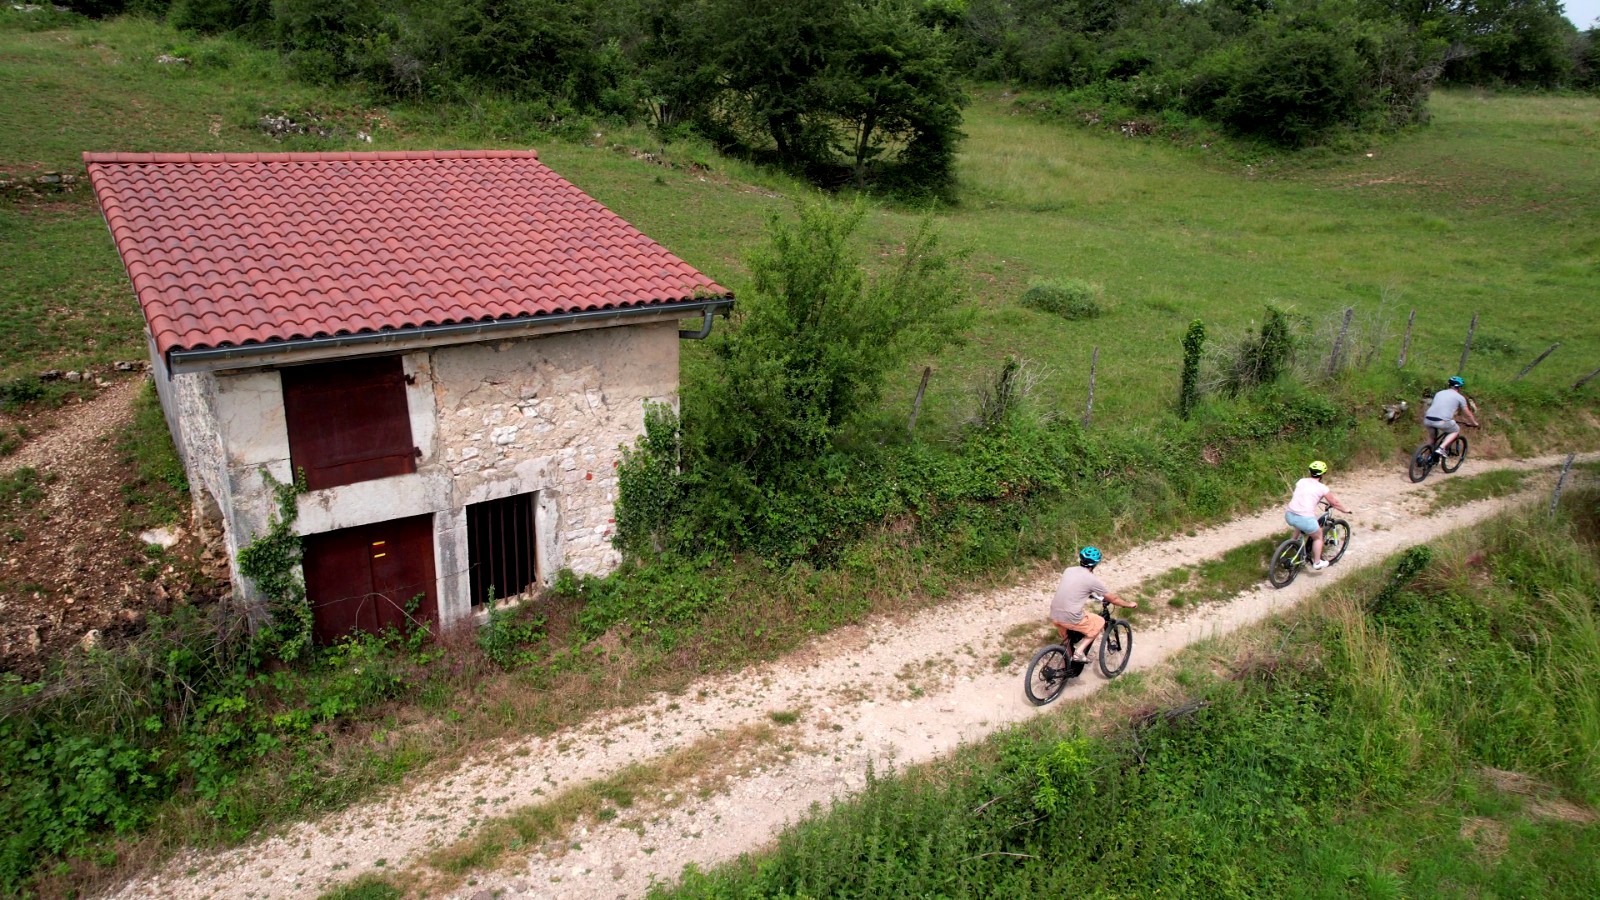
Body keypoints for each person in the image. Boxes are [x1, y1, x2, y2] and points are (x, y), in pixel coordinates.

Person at [1050, 547, 1136, 663]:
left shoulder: (1068, 570)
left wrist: (1089, 594)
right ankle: (1079, 653)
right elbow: (1113, 599)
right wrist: (1128, 604)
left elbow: (1075, 587)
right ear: (1095, 564)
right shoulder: (1092, 579)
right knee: (1100, 621)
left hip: (1055, 614)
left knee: (1067, 639)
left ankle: (1068, 663)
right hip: (1070, 616)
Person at [1284, 461, 1349, 570]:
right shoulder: (1322, 488)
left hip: (1289, 514)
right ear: (1323, 474)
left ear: (1310, 471)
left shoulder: (1301, 481)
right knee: (1318, 537)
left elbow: (1304, 494)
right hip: (1304, 518)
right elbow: (1334, 503)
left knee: (1299, 525)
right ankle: (1317, 562)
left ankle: (1292, 544)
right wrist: (1345, 510)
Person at [1424, 376, 1478, 459]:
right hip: (1441, 421)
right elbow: (1468, 413)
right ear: (1459, 387)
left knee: (1432, 438)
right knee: (1456, 430)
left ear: (1449, 385)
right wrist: (1474, 423)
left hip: (1428, 419)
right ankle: (1442, 448)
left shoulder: (1439, 393)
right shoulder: (1460, 397)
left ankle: (1424, 458)